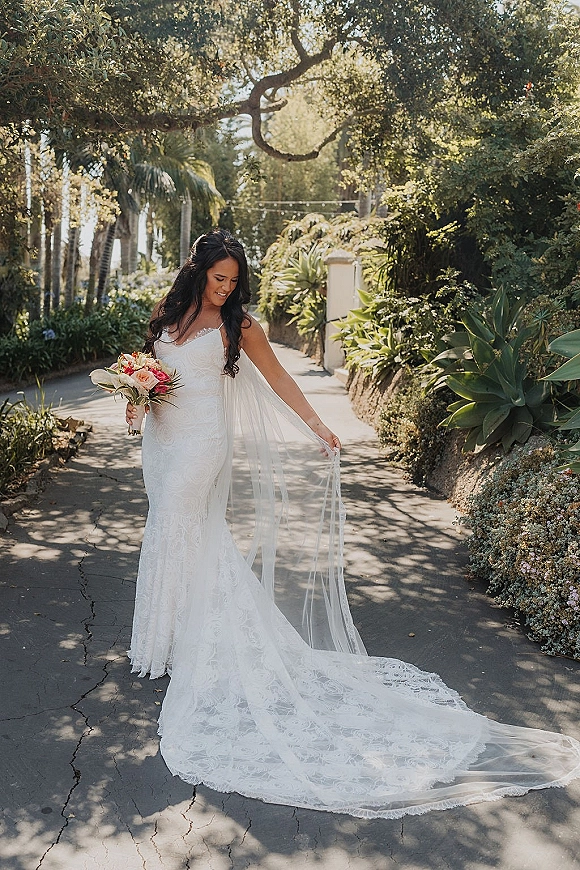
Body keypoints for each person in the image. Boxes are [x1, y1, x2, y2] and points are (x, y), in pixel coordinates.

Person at [126, 229, 580, 820]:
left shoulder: (240, 326)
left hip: (202, 447)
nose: (226, 289)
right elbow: (155, 377)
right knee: (171, 532)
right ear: (199, 271)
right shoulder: (170, 314)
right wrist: (136, 396)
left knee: (184, 531)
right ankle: (175, 638)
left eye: (234, 282)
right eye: (219, 279)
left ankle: (200, 645)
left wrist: (317, 425)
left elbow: (280, 380)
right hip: (163, 441)